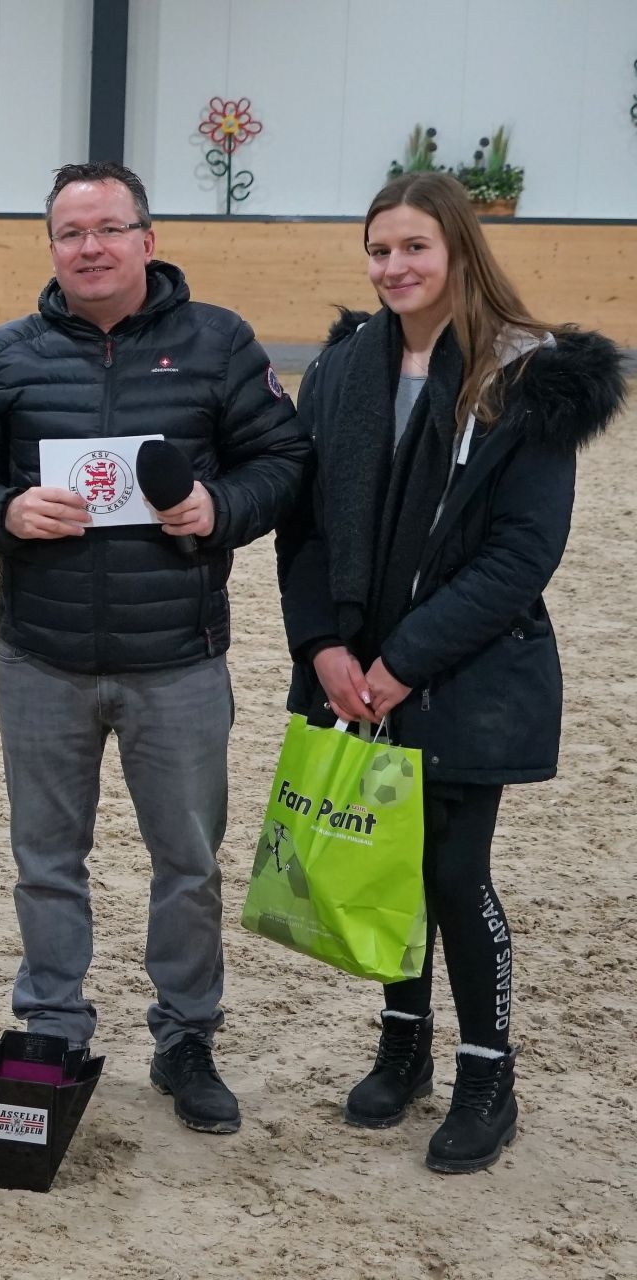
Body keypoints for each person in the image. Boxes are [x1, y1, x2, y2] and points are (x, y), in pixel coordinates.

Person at [0, 161, 306, 1135]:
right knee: (46, 860)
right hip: (41, 656)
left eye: (108, 228)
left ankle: (186, 1037)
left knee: (188, 861)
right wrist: (6, 512)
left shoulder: (219, 343)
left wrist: (218, 507)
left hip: (178, 657)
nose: (89, 247)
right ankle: (53, 1026)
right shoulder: (9, 354)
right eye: (71, 232)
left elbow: (284, 460)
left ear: (148, 237)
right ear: (51, 246)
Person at [277, 171, 623, 1172]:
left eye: (414, 248)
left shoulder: (525, 377)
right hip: (353, 665)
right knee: (389, 861)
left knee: (453, 873)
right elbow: (304, 523)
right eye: (378, 250)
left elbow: (520, 554)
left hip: (463, 671)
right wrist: (326, 646)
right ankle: (404, 1045)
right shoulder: (341, 370)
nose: (394, 267)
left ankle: (486, 1074)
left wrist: (404, 661)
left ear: (460, 249)